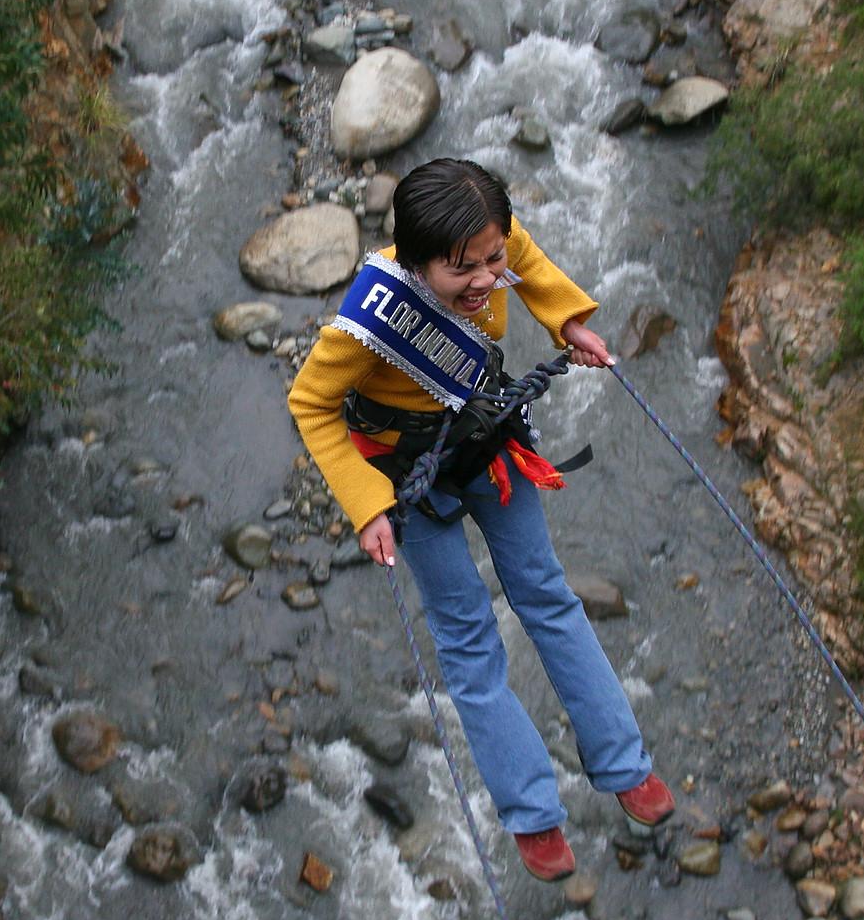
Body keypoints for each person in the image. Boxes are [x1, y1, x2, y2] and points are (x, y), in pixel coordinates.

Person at [286, 156, 673, 882]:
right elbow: (311, 404)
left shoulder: (487, 248)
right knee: (466, 637)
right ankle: (532, 811)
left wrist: (569, 319)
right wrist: (366, 505)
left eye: (491, 258)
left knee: (546, 596)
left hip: (488, 444)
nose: (487, 278)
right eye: (464, 269)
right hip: (410, 483)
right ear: (416, 260)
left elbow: (518, 252)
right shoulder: (366, 324)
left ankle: (623, 763)